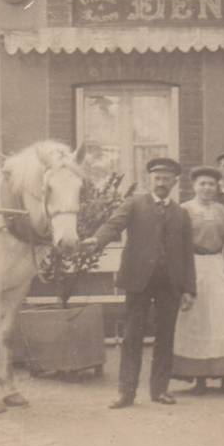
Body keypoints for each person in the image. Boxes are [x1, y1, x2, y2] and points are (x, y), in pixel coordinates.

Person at [83, 157, 196, 409]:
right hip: (138, 280)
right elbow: (113, 225)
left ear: (175, 182)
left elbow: (187, 254)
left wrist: (189, 289)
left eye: (167, 179)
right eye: (157, 178)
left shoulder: (182, 214)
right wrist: (96, 240)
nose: (161, 183)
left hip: (170, 283)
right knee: (132, 337)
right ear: (149, 180)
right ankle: (126, 393)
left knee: (166, 337)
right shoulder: (134, 204)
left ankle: (160, 390)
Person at [172, 166, 224, 395]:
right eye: (202, 184)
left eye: (211, 184)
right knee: (198, 320)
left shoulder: (222, 210)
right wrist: (183, 275)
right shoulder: (184, 209)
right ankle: (200, 380)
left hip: (217, 266)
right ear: (194, 186)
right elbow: (177, 244)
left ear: (217, 188)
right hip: (193, 267)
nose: (207, 188)